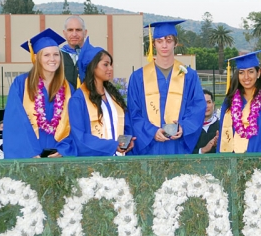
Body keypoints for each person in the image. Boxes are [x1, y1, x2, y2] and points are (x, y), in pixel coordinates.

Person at [127, 20, 206, 155]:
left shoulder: (189, 76)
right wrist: (151, 131)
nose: (164, 45)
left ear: (175, 43)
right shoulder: (138, 77)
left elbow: (197, 107)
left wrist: (183, 127)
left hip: (177, 146)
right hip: (149, 147)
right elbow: (133, 112)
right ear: (153, 44)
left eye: (169, 40)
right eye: (159, 40)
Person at [3, 28, 76, 158]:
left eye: (56, 54)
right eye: (46, 55)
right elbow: (15, 121)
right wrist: (30, 152)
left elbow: (77, 123)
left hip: (58, 154)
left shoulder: (68, 88)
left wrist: (64, 150)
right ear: (36, 58)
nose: (52, 59)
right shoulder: (21, 84)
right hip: (30, 154)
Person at [68, 38, 135, 156]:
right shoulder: (78, 100)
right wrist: (112, 146)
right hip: (94, 166)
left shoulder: (113, 96)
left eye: (110, 64)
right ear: (92, 67)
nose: (110, 68)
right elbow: (80, 138)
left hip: (120, 163)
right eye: (105, 65)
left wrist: (127, 142)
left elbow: (126, 125)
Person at [218, 50, 261, 153]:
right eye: (241, 72)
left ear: (258, 73)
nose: (246, 77)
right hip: (234, 162)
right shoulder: (229, 102)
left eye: (251, 71)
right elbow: (223, 135)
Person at [61, 15, 87, 89]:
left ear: (85, 32)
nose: (74, 34)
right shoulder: (57, 56)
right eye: (70, 30)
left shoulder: (94, 56)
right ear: (64, 33)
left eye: (78, 30)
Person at [193, 89, 220, 154]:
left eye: (208, 102)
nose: (206, 106)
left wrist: (219, 144)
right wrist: (202, 150)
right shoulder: (191, 128)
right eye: (202, 103)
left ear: (213, 104)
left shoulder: (221, 125)